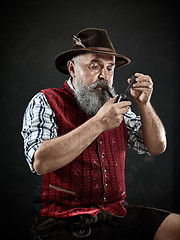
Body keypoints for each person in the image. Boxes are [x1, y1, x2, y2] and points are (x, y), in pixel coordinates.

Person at [21, 28, 180, 240]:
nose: (104, 75)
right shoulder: (46, 101)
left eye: (110, 68)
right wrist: (98, 124)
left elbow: (157, 146)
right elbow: (40, 162)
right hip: (62, 222)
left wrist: (144, 104)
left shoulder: (114, 105)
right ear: (72, 68)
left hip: (116, 214)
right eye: (95, 66)